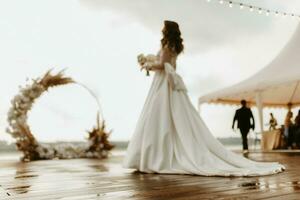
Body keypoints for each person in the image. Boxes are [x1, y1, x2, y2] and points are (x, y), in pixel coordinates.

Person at [123, 20, 284, 176]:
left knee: (159, 118)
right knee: (173, 118)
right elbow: (170, 66)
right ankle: (166, 153)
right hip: (169, 83)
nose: (162, 31)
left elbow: (162, 65)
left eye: (164, 29)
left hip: (164, 85)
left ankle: (158, 157)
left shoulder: (166, 47)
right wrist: (151, 62)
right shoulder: (175, 47)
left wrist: (148, 64)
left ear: (167, 31)